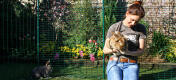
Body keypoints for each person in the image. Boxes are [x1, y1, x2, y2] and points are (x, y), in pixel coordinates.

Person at [103, 1, 146, 80]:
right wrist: (114, 50)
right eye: (132, 19)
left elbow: (141, 50)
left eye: (136, 21)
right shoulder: (115, 27)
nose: (133, 23)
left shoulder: (141, 28)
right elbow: (105, 50)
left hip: (131, 63)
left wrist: (127, 52)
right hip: (114, 62)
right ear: (127, 14)